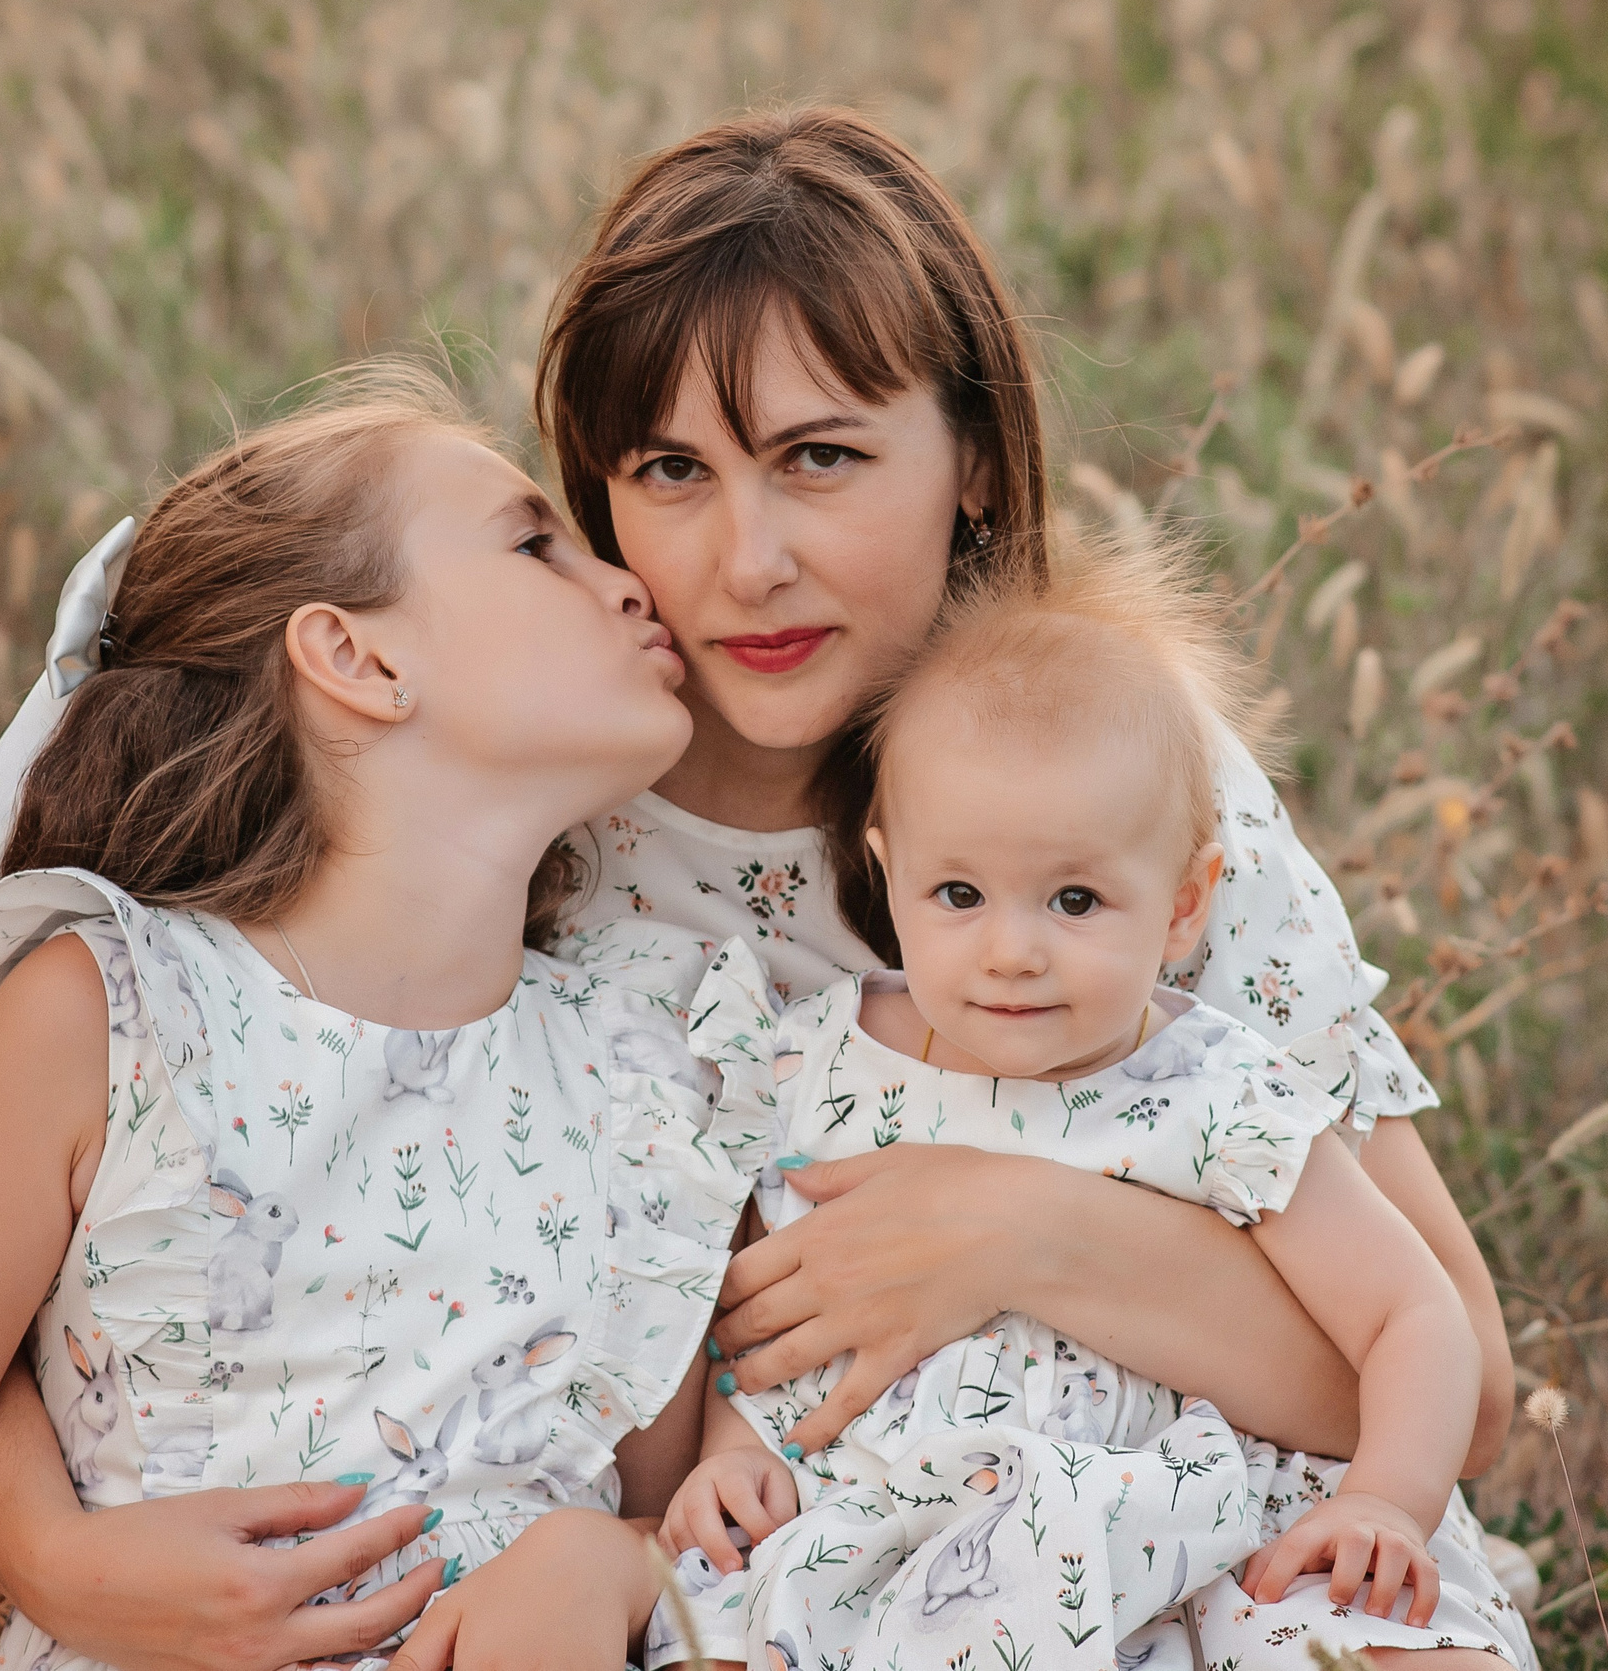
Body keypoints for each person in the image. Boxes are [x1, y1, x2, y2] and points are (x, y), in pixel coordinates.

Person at [0, 107, 1519, 1671]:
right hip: (807, 1561)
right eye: (673, 471)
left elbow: (1467, 1379)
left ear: (972, 460)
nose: (745, 559)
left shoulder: (1113, 797)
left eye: (820, 458)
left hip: (1225, 1508)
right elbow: (32, 1244)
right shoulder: (529, 809)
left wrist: (1025, 1231)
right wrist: (51, 1555)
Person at [0, 375, 753, 1671]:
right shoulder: (107, 1016)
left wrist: (622, 1557)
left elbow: (669, 1502)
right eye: (538, 544)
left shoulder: (640, 1059)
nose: (628, 582)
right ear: (358, 657)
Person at [651, 534, 1533, 1669]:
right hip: (899, 1533)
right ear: (885, 868)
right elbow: (767, 1312)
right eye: (958, 892)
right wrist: (732, 1451)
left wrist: (1385, 1502)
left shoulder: (1215, 1089)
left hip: (1207, 1533)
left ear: (1182, 906)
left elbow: (1413, 1315)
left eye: (1074, 897)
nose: (1012, 951)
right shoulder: (812, 1063)